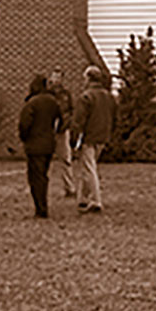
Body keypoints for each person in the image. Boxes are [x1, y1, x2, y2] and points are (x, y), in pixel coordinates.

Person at [72, 65, 117, 214]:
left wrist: (74, 140)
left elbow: (79, 121)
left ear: (89, 78)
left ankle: (95, 200)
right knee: (88, 167)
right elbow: (115, 117)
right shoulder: (109, 97)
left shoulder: (86, 97)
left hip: (89, 137)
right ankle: (83, 198)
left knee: (89, 168)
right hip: (103, 136)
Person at [18, 74, 62, 219]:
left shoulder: (32, 103)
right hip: (49, 144)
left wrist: (24, 138)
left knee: (35, 178)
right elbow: (60, 120)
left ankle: (41, 209)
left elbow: (24, 124)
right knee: (43, 175)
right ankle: (43, 206)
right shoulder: (53, 102)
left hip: (34, 145)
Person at [47, 69, 76, 199]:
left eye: (59, 77)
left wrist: (66, 124)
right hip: (47, 131)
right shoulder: (47, 94)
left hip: (62, 130)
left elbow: (71, 110)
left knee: (65, 159)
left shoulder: (66, 94)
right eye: (54, 77)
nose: (56, 80)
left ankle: (69, 187)